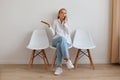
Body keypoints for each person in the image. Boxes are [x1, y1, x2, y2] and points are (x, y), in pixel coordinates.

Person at [41, 8, 74, 75]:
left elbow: (69, 32)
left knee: (60, 44)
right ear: (59, 14)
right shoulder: (55, 21)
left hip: (66, 42)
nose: (63, 14)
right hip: (55, 41)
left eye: (65, 13)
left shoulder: (68, 22)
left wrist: (65, 23)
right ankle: (67, 60)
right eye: (62, 12)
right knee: (61, 38)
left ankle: (59, 68)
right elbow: (53, 34)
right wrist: (49, 26)